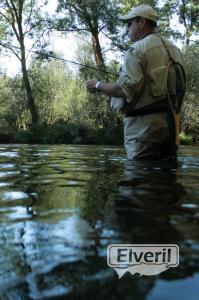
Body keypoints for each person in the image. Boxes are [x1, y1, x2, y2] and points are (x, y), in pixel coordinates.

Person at [85, 4, 186, 160]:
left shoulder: (137, 50)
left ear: (142, 22)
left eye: (129, 24)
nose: (127, 29)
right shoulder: (174, 49)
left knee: (138, 178)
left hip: (143, 131)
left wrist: (96, 85)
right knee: (165, 178)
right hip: (171, 128)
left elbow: (122, 90)